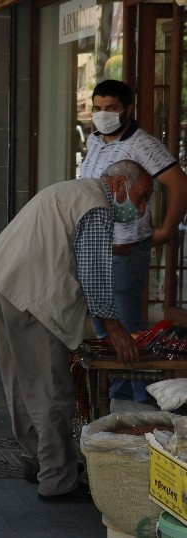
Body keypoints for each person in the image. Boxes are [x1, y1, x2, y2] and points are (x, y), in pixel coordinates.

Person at [0, 160, 150, 502]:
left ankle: (38, 460)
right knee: (51, 391)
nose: (141, 208)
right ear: (117, 184)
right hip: (31, 294)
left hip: (3, 281)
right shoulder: (97, 206)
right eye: (141, 198)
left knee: (23, 384)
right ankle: (57, 479)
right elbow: (96, 276)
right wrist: (115, 330)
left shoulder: (74, 190)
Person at [79, 79, 187, 403]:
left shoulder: (144, 145)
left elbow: (180, 186)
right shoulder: (96, 140)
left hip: (124, 251)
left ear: (128, 109)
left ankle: (144, 402)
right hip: (94, 248)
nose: (103, 114)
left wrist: (167, 230)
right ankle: (117, 397)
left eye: (111, 108)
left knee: (129, 332)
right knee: (104, 330)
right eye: (97, 108)